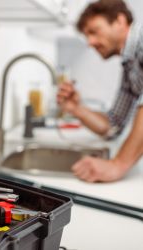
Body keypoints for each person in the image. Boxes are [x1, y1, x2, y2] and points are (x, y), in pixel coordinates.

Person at [57, 0, 143, 182]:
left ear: (120, 21)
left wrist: (117, 165)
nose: (90, 42)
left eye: (94, 31)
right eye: (86, 35)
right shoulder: (130, 65)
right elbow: (113, 125)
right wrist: (76, 108)